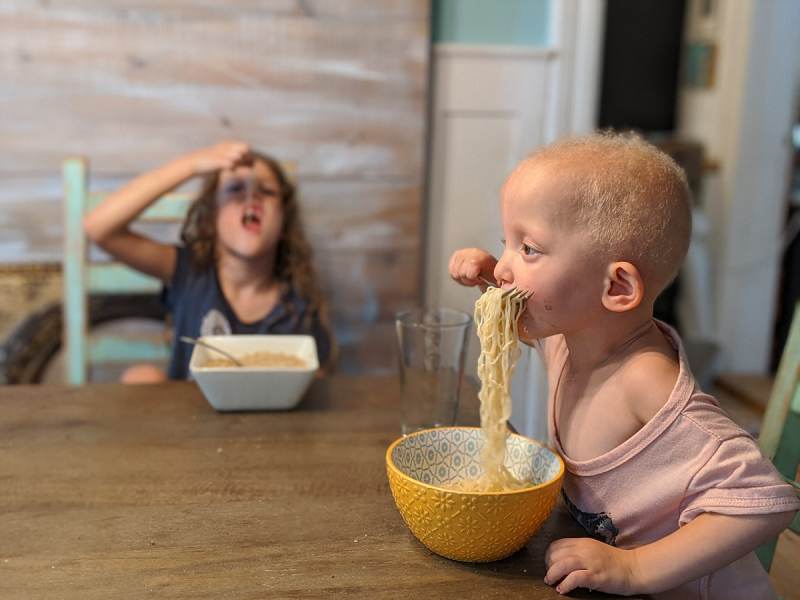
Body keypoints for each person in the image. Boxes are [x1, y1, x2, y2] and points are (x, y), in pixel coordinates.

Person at [449, 132, 800, 599]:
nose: (507, 267)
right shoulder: (572, 341)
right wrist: (491, 275)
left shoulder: (644, 380)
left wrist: (634, 568)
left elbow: (766, 501)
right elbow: (534, 309)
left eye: (528, 248)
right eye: (505, 242)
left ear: (616, 288)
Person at [83, 140, 333, 382]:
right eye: (235, 189)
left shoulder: (298, 301)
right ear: (211, 218)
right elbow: (99, 228)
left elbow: (317, 379)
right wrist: (192, 164)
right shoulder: (190, 272)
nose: (251, 198)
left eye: (267, 191)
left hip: (268, 423)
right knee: (141, 378)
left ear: (284, 221)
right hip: (188, 420)